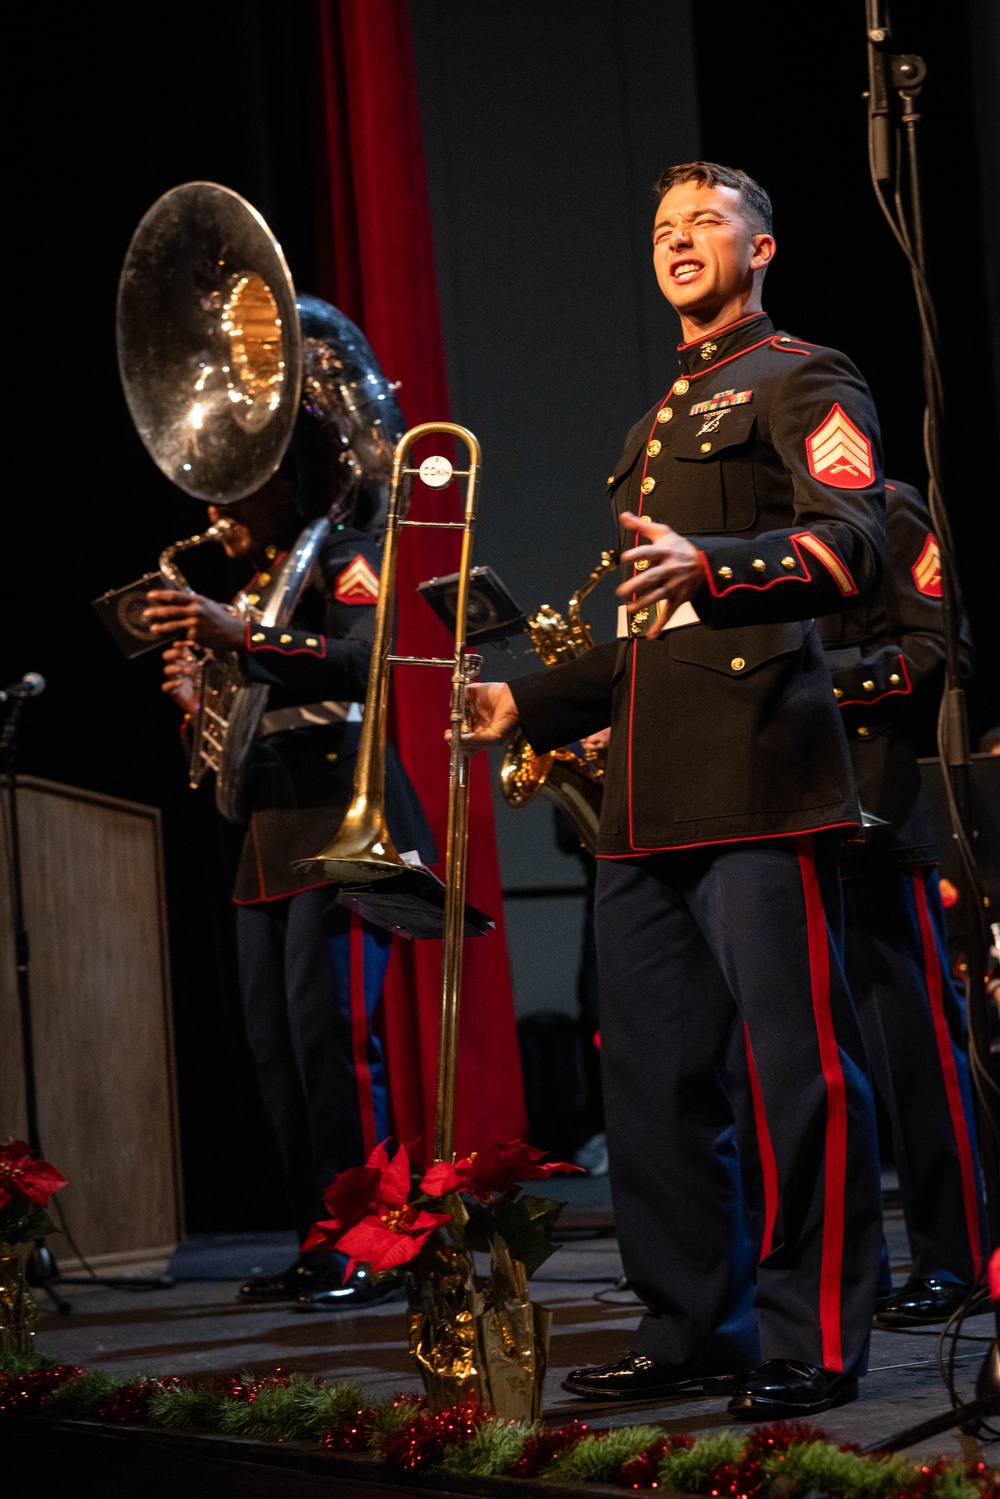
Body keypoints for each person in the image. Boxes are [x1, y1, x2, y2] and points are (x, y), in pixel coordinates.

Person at [458, 162, 887, 1418]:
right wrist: (528, 703)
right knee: (649, 1086)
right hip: (642, 798)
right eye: (662, 227)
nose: (679, 239)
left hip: (758, 773)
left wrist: (722, 563)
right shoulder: (660, 415)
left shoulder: (803, 375)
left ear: (762, 249)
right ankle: (692, 1325)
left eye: (705, 221)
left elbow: (854, 544)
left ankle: (814, 1337)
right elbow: (654, 637)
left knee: (796, 1075)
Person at [145, 460, 436, 1310]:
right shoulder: (257, 585)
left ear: (286, 484)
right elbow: (252, 722)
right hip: (269, 833)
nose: (217, 509)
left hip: (344, 820)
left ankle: (376, 1248)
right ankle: (322, 1243)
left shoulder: (344, 551)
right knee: (279, 1057)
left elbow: (364, 661)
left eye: (237, 487)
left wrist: (240, 636)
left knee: (331, 1045)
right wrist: (200, 700)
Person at [821, 480, 987, 1325]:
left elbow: (937, 646)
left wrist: (815, 680)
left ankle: (955, 1258)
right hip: (769, 821)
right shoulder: (737, 524)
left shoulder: (881, 507)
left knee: (914, 1055)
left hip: (872, 811)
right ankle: (843, 1273)